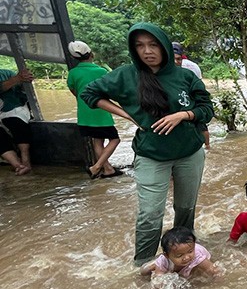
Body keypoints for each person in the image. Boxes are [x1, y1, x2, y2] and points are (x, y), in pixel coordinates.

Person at [81, 23, 214, 265]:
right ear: (133, 49)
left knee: (185, 207)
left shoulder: (184, 76)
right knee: (150, 214)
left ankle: (184, 258)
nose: (147, 51)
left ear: (163, 46)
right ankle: (143, 264)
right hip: (151, 154)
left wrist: (183, 115)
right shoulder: (125, 75)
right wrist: (127, 115)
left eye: (153, 45)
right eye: (140, 46)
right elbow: (90, 94)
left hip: (189, 152)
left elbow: (206, 109)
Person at [66, 41, 123, 179]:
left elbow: (75, 91)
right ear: (91, 54)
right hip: (100, 112)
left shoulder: (73, 73)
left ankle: (107, 168)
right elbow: (109, 90)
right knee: (115, 140)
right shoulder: (101, 71)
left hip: (84, 114)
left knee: (97, 141)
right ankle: (97, 167)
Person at [172, 42, 210, 150]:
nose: (176, 62)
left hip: (188, 102)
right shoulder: (194, 66)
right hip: (192, 101)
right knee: (201, 125)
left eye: (178, 59)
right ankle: (208, 147)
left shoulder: (185, 70)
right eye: (173, 58)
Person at [0, 67, 34, 175]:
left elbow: (21, 90)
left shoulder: (6, 73)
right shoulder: (12, 76)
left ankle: (25, 160)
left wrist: (24, 80)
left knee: (16, 122)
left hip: (12, 110)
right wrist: (17, 78)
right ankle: (17, 165)